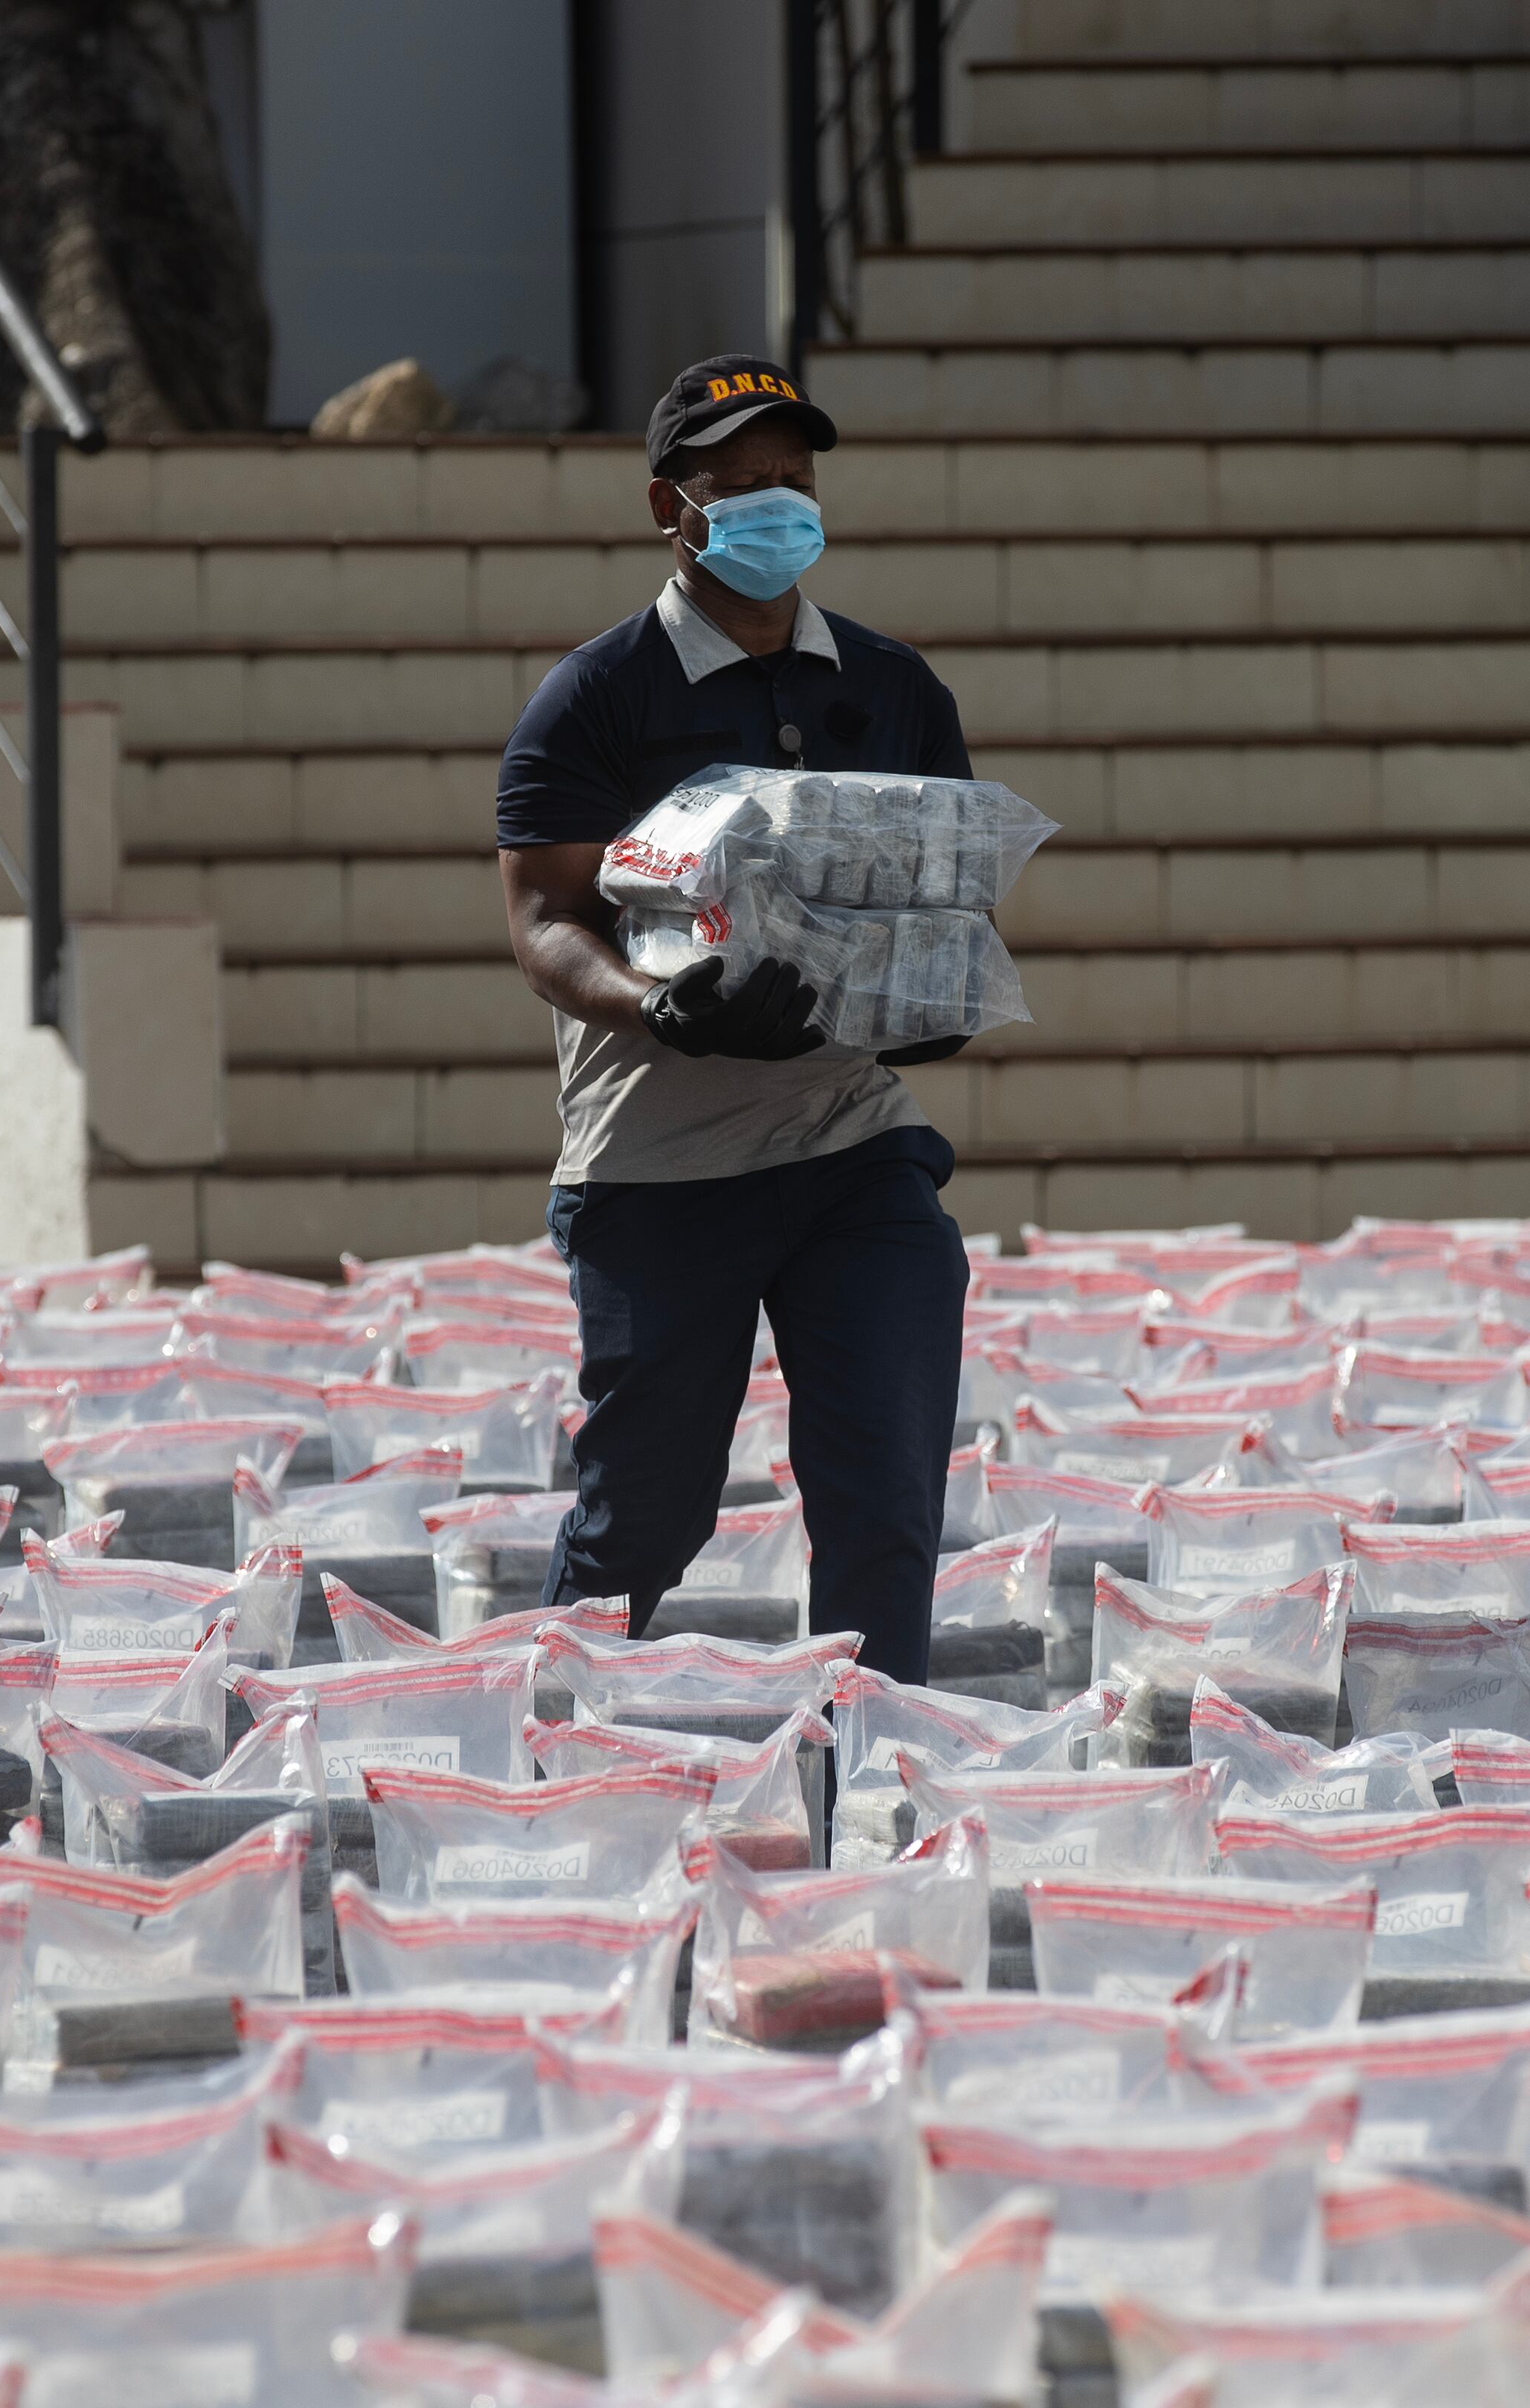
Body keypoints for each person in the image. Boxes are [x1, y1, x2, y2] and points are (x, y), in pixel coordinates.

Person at [490, 354, 975, 1687]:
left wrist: (934, 1001)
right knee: (648, 1516)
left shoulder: (893, 690)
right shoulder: (594, 699)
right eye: (741, 484)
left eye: (796, 481)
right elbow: (542, 923)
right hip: (661, 1162)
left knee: (884, 1505)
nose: (777, 506)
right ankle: (549, 1772)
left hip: (848, 1142)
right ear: (672, 505)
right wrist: (663, 1007)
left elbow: (945, 899)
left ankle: (861, 1809)